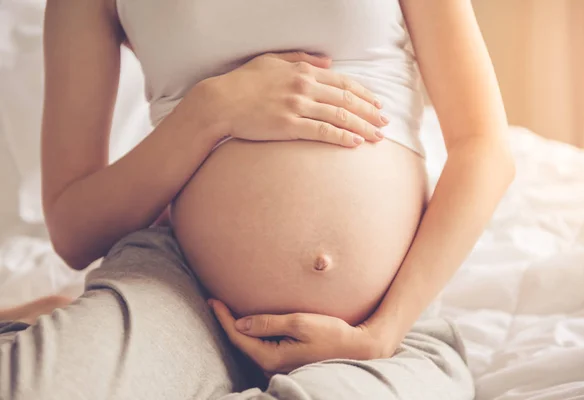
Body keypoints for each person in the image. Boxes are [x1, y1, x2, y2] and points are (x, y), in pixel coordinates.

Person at [0, 0, 515, 398]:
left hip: (379, 317)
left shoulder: (383, 329)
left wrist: (383, 333)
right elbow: (73, 230)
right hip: (181, 291)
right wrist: (209, 110)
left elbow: (485, 148)